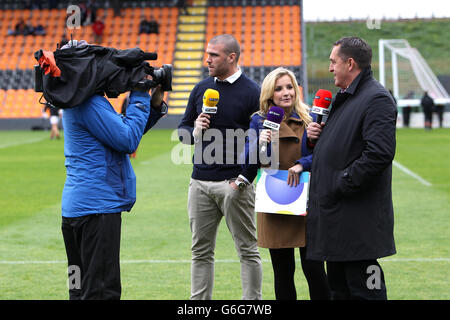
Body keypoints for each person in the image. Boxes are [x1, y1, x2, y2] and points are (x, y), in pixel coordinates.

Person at [306, 36, 397, 300]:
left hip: (358, 221)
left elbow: (379, 154)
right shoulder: (346, 97)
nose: (330, 68)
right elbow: (342, 147)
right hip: (338, 220)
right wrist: (318, 141)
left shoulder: (376, 98)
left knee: (367, 291)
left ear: (350, 63)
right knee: (340, 290)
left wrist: (341, 183)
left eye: (334, 62)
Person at [61, 75, 167, 300]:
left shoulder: (75, 99)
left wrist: (154, 106)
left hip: (75, 209)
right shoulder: (90, 103)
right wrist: (139, 96)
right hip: (96, 211)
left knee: (78, 288)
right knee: (101, 291)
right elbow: (127, 140)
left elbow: (119, 132)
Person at [178, 34, 262, 300]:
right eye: (207, 54)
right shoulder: (201, 88)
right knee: (200, 252)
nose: (207, 59)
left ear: (231, 57)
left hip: (235, 184)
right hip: (199, 183)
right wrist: (195, 130)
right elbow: (182, 131)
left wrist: (244, 179)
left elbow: (259, 141)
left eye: (213, 55)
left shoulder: (253, 92)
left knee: (247, 250)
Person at [242, 67, 331, 300]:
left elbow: (325, 155)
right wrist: (261, 143)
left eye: (289, 87)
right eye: (279, 88)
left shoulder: (310, 118)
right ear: (269, 94)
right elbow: (248, 162)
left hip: (307, 201)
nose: (286, 92)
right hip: (275, 201)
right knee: (283, 272)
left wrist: (303, 163)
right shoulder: (259, 121)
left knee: (314, 269)